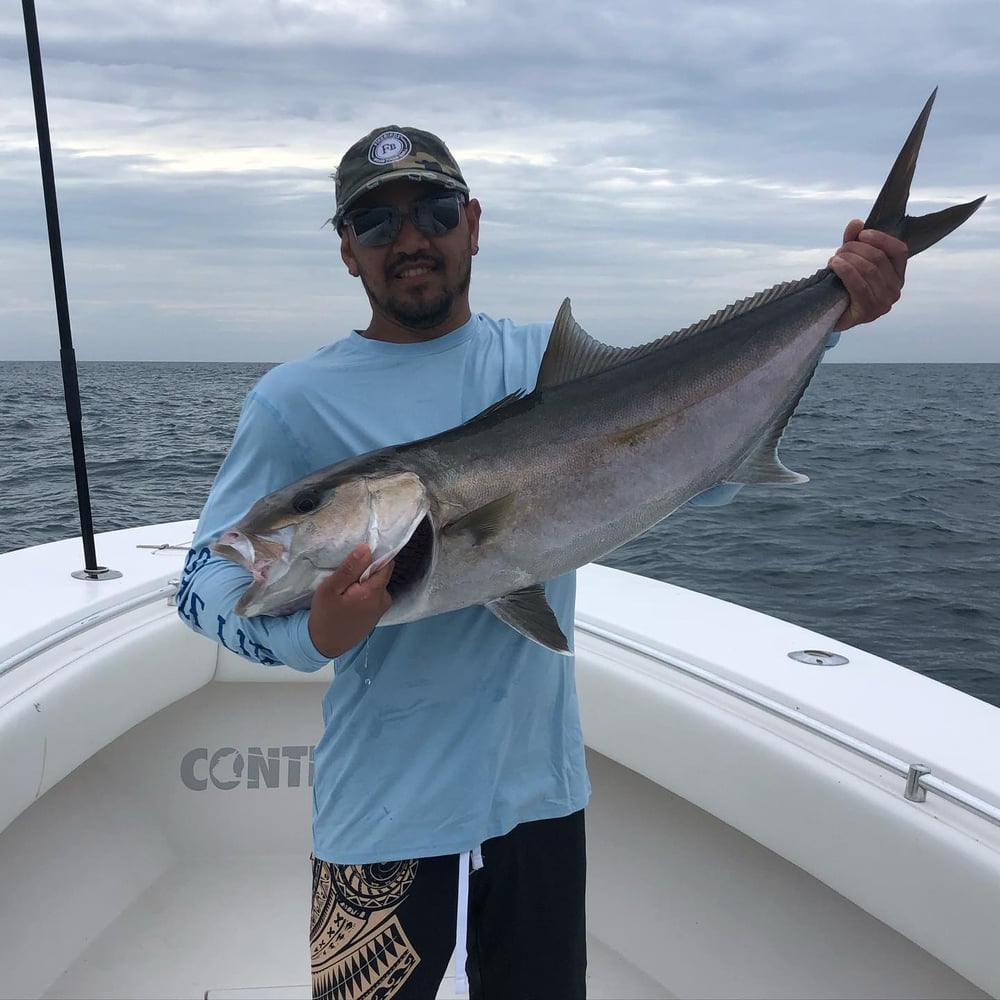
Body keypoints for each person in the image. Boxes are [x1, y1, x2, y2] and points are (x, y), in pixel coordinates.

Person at [176, 124, 907, 1000]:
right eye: (376, 224)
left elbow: (691, 473)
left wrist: (832, 316)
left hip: (540, 798)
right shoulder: (294, 402)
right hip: (382, 812)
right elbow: (202, 583)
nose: (410, 238)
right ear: (347, 250)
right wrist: (314, 636)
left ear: (473, 223)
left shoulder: (538, 365)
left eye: (435, 210)